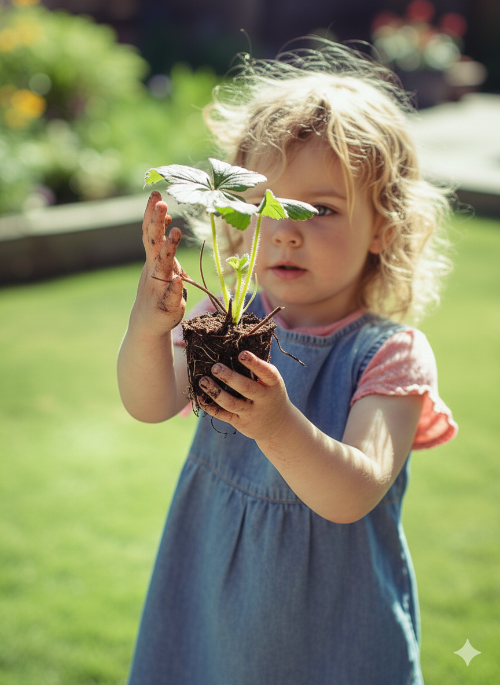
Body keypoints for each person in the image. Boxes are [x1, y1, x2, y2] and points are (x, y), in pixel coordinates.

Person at [118, 40, 457, 685]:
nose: (284, 230)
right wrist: (149, 327)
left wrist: (276, 424)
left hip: (332, 628)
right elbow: (148, 401)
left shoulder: (387, 355)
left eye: (319, 209)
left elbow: (351, 493)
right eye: (260, 205)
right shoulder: (231, 324)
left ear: (384, 226)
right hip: (213, 600)